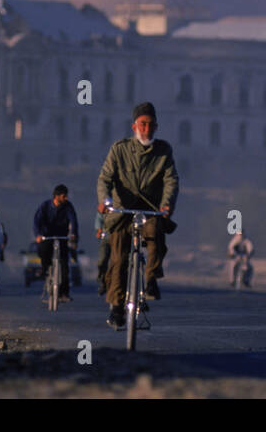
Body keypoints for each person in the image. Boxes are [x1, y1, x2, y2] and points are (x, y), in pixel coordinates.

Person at [97, 101, 178, 329]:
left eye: (151, 125)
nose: (146, 129)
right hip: (122, 211)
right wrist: (105, 201)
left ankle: (151, 281)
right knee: (119, 260)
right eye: (142, 124)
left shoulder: (164, 151)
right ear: (134, 126)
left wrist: (166, 205)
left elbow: (171, 180)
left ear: (156, 126)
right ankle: (116, 307)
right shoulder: (119, 149)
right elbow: (105, 178)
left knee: (155, 237)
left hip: (150, 209)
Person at [33, 184, 79, 302]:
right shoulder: (45, 206)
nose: (66, 198)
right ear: (57, 196)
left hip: (62, 237)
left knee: (64, 265)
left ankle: (64, 293)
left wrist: (73, 234)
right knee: (43, 251)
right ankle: (45, 270)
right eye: (64, 196)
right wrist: (38, 234)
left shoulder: (68, 206)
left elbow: (73, 220)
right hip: (47, 236)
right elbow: (37, 220)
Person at [95, 207, 110, 296]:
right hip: (107, 238)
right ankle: (102, 278)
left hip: (121, 236)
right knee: (103, 259)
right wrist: (99, 230)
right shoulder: (107, 202)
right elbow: (99, 215)